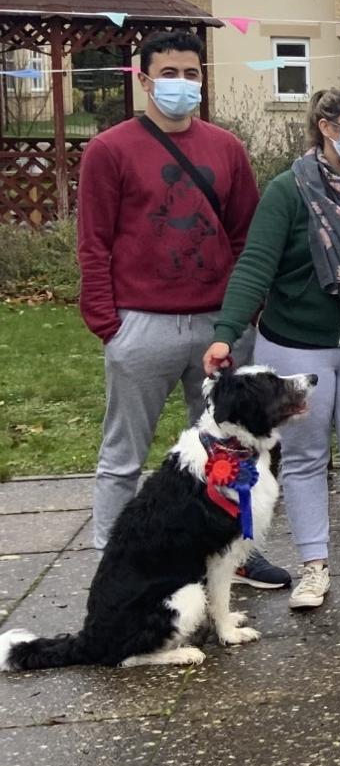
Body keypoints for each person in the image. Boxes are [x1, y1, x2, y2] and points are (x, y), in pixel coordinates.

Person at [75, 31, 289, 588]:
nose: (181, 83)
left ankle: (234, 554)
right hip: (140, 322)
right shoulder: (110, 150)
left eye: (191, 73)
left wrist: (244, 314)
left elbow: (246, 236)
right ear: (144, 79)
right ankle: (113, 563)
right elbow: (93, 242)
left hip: (218, 324)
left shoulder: (226, 148)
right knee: (124, 453)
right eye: (169, 73)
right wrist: (107, 323)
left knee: (230, 447)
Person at [203, 86, 340, 610]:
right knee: (304, 457)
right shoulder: (289, 190)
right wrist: (226, 331)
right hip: (296, 345)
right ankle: (313, 565)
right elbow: (256, 264)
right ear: (327, 126)